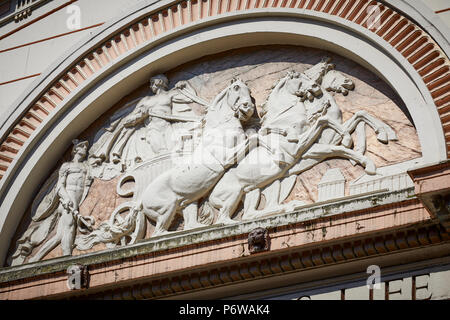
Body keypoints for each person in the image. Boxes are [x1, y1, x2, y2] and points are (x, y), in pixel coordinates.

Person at [28, 140, 94, 262]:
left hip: (77, 200)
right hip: (67, 200)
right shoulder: (67, 166)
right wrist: (66, 198)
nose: (85, 148)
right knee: (69, 227)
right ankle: (67, 256)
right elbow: (60, 186)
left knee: (59, 235)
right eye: (82, 146)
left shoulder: (86, 166)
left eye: (86, 146)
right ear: (75, 150)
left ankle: (36, 257)